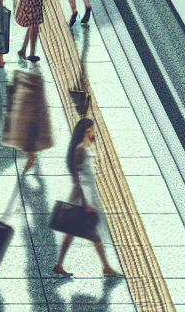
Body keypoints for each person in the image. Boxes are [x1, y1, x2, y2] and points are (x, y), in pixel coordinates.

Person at [52, 118, 122, 279]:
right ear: (83, 132)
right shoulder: (80, 149)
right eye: (89, 131)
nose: (92, 133)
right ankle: (105, 267)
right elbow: (79, 175)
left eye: (92, 130)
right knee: (93, 235)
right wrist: (88, 202)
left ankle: (60, 264)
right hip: (83, 198)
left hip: (85, 195)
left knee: (72, 233)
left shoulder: (87, 147)